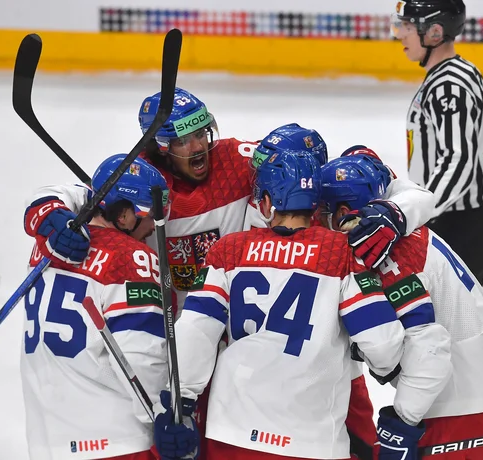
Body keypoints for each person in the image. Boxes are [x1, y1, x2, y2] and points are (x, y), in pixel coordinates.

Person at [153, 149, 406, 460]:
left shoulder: (228, 251)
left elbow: (196, 332)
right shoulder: (340, 254)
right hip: (310, 442)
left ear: (269, 202)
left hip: (231, 435)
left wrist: (180, 402)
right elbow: (383, 349)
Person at [321, 154, 483, 460]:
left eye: (321, 212)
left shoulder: (381, 253)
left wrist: (402, 422)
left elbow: (430, 353)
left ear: (343, 211)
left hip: (459, 409)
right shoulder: (395, 225)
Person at [21, 155, 170, 460]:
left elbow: (64, 195)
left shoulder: (46, 246)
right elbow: (142, 357)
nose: (153, 228)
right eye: (150, 216)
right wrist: (165, 418)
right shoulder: (133, 258)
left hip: (47, 441)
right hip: (117, 441)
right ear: (125, 216)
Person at [391, 0, 483, 284]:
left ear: (434, 33)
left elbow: (458, 159)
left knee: (445, 324)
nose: (399, 34)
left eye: (408, 27)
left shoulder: (448, 85)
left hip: (460, 224)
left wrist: (415, 211)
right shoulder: (453, 73)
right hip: (459, 219)